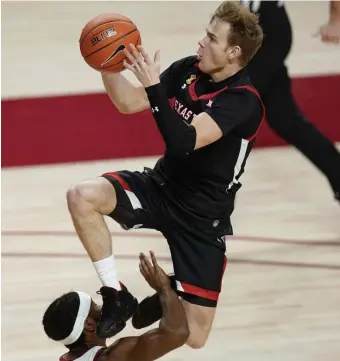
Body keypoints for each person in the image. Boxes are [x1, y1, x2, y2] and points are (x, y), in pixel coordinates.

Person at [66, 1, 264, 349]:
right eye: (205, 33)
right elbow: (127, 102)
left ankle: (168, 291)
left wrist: (156, 88)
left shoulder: (242, 101)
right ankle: (115, 292)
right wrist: (108, 62)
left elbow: (184, 142)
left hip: (202, 218)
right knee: (81, 196)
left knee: (194, 337)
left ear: (233, 52)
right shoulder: (188, 69)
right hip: (161, 187)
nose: (201, 42)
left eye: (211, 38)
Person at [242, 0, 340, 203]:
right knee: (285, 120)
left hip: (268, 32)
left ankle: (196, 199)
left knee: (228, 108)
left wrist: (336, 19)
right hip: (248, 28)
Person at [42, 251, 189, 361]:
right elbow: (177, 333)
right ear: (89, 325)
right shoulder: (114, 356)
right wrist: (164, 288)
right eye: (97, 307)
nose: (104, 308)